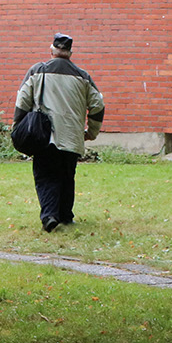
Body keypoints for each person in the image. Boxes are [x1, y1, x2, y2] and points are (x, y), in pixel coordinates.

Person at [13, 33, 106, 232]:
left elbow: (22, 101)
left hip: (44, 135)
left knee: (45, 176)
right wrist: (91, 132)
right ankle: (65, 216)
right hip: (72, 136)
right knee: (67, 176)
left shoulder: (37, 71)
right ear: (70, 52)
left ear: (52, 50)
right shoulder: (83, 76)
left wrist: (18, 126)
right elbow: (98, 105)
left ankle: (49, 216)